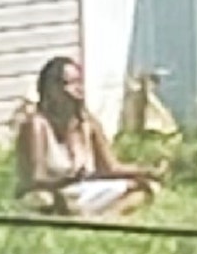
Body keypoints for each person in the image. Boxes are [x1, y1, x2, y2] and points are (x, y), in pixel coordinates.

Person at [14, 56, 167, 218]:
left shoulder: (88, 123)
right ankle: (79, 214)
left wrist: (148, 171)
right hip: (52, 192)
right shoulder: (37, 125)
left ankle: (106, 218)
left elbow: (111, 168)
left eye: (78, 82)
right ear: (50, 90)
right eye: (68, 83)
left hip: (84, 190)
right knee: (45, 200)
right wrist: (66, 180)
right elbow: (34, 178)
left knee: (143, 189)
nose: (77, 89)